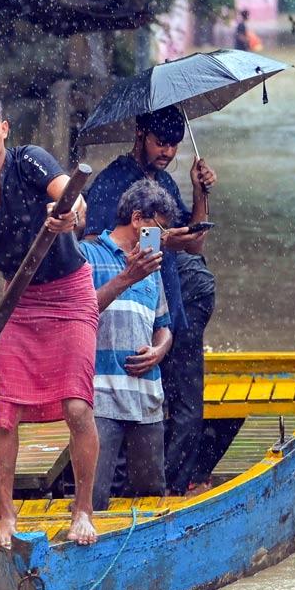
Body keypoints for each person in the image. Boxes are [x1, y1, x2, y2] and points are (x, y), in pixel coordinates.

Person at [0, 91, 99, 549]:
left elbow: (74, 202)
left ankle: (83, 510)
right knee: (4, 414)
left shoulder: (30, 162)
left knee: (76, 406)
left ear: (5, 129)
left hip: (71, 294)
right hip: (18, 303)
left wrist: (65, 214)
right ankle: (6, 516)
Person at [82, 105, 218, 496]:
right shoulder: (111, 182)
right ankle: (120, 496)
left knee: (184, 405)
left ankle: (172, 489)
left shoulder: (164, 183)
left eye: (175, 145)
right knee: (124, 408)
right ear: (140, 134)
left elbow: (195, 241)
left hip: (165, 305)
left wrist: (199, 191)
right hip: (127, 309)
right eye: (162, 143)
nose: (169, 152)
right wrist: (161, 239)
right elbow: (100, 244)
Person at [79, 179, 178, 510]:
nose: (162, 238)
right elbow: (79, 312)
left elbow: (163, 327)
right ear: (137, 219)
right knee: (93, 497)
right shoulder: (87, 255)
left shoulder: (152, 267)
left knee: (150, 496)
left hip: (146, 399)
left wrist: (159, 350)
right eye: (158, 228)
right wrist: (127, 277)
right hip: (100, 397)